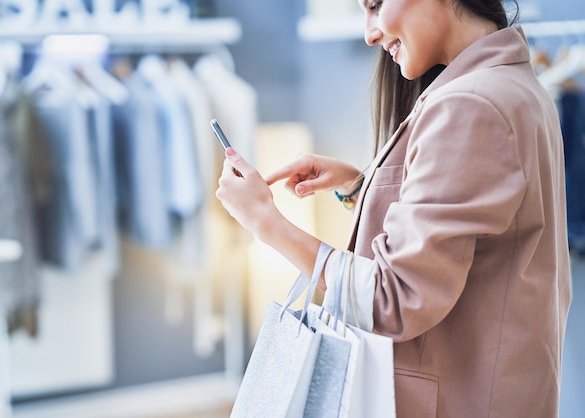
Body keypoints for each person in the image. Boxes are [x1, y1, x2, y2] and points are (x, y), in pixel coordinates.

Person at [215, 0, 572, 416]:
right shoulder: (513, 86)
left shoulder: (471, 104)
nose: (370, 33)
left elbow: (394, 299)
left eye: (375, 5)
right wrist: (359, 187)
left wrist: (265, 221)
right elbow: (468, 241)